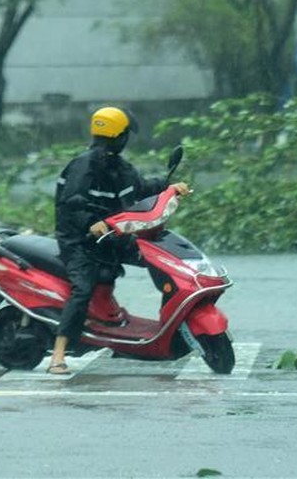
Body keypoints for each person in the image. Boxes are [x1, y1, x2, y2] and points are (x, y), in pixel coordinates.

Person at [47, 105, 190, 375]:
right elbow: (71, 204)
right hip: (79, 242)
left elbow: (142, 188)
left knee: (156, 258)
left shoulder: (120, 167)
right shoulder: (84, 165)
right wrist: (91, 223)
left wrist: (170, 187)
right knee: (83, 288)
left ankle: (166, 328)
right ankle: (58, 353)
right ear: (120, 136)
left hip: (112, 236)